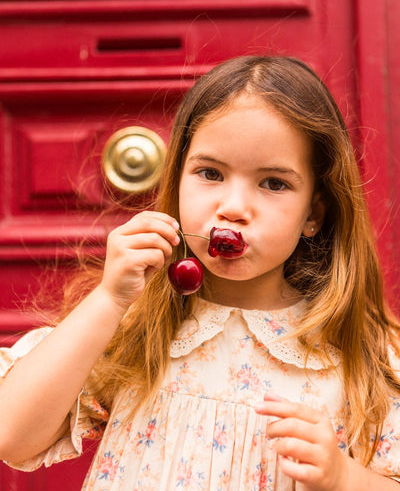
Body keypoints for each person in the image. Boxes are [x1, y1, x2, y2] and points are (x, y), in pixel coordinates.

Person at [0, 55, 400, 491]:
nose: (232, 207)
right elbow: (11, 436)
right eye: (210, 173)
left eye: (273, 183)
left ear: (315, 214)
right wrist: (109, 300)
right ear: (177, 180)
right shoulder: (138, 328)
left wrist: (344, 477)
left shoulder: (358, 353)